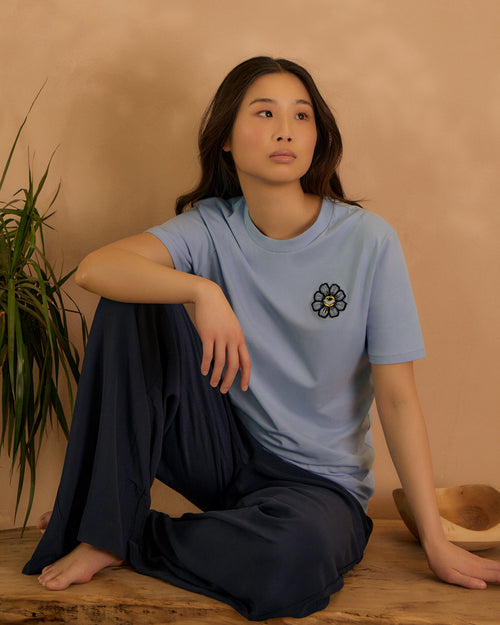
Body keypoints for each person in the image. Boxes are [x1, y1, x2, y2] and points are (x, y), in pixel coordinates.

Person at [23, 56, 500, 620]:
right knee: (135, 303)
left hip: (318, 489)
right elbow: (96, 269)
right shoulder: (210, 226)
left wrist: (436, 543)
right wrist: (203, 292)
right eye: (265, 112)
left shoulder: (367, 241)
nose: (285, 129)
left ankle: (131, 534)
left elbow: (398, 399)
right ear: (226, 136)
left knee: (291, 560)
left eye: (301, 116)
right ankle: (104, 534)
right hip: (222, 452)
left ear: (317, 138)